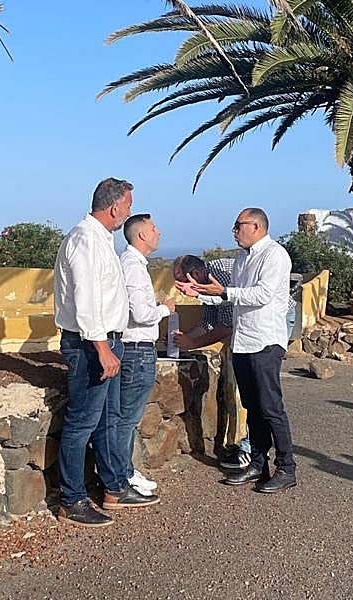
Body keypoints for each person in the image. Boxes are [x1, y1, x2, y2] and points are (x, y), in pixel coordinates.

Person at [54, 178, 159, 527]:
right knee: (82, 422)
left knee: (107, 419)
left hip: (107, 341)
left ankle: (114, 488)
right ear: (115, 207)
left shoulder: (101, 239)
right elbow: (86, 299)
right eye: (127, 206)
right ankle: (71, 499)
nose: (128, 212)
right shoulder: (85, 239)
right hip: (90, 344)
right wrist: (101, 347)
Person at [175, 208, 297, 493]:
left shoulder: (274, 255)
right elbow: (233, 301)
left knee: (270, 407)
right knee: (251, 407)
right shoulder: (243, 258)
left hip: (265, 341)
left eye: (238, 225)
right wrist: (202, 293)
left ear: (256, 226)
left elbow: (262, 295)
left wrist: (221, 292)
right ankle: (258, 464)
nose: (234, 231)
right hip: (244, 341)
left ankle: (286, 467)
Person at [171, 254, 252, 471]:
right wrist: (183, 339)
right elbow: (208, 322)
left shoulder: (220, 276)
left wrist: (193, 342)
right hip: (244, 329)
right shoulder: (204, 284)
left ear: (196, 274)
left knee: (247, 389)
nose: (181, 290)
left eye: (183, 282)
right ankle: (239, 443)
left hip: (268, 324)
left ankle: (246, 447)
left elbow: (227, 325)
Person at [118, 213, 175, 497]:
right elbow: (140, 314)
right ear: (141, 235)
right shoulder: (133, 266)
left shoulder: (132, 264)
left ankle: (124, 472)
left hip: (137, 349)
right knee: (127, 419)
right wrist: (165, 309)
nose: (158, 232)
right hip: (136, 350)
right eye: (153, 228)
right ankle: (122, 477)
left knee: (127, 418)